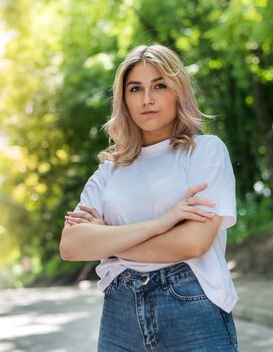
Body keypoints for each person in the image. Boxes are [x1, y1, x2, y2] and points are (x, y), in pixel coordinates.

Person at [59, 44, 239, 351]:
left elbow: (193, 243)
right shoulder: (108, 172)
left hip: (191, 310)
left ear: (178, 90)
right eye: (135, 88)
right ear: (124, 99)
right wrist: (162, 223)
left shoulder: (205, 151)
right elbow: (72, 245)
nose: (147, 99)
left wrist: (109, 242)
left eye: (159, 85)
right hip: (120, 317)